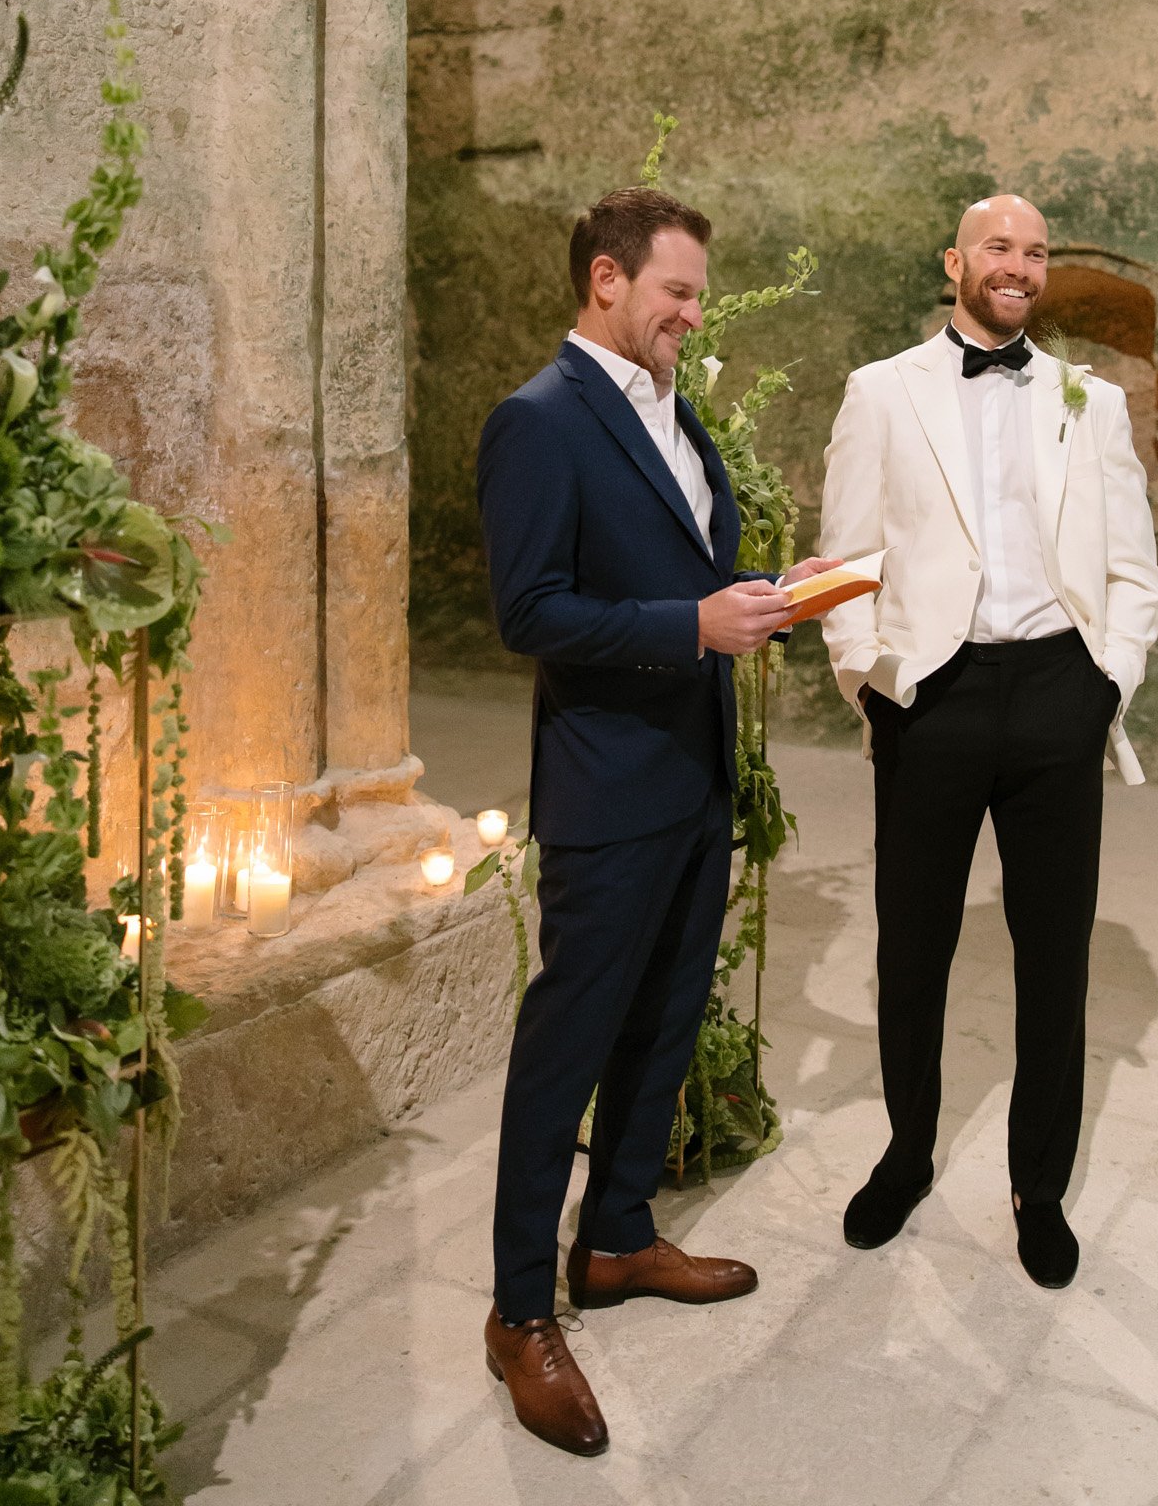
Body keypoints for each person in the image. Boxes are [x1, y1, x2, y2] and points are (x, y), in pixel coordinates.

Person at [477, 186, 837, 1455]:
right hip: (606, 785)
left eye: (696, 293)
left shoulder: (674, 412)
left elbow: (681, 571)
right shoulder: (537, 420)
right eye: (677, 291)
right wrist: (691, 624)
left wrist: (763, 594)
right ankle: (519, 1309)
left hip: (693, 774)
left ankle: (618, 1235)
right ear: (606, 281)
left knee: (665, 1018)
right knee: (565, 1047)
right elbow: (529, 609)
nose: (692, 312)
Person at [819, 194, 1158, 1289]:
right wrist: (874, 685)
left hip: (1059, 689)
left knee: (1054, 957)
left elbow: (1133, 563)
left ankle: (1037, 1188)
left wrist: (1106, 682)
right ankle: (905, 1153)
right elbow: (847, 559)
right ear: (955, 261)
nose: (1018, 265)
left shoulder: (1090, 402)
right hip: (932, 695)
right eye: (998, 247)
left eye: (1035, 252)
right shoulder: (881, 392)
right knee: (911, 947)